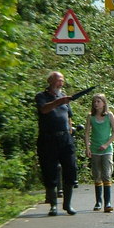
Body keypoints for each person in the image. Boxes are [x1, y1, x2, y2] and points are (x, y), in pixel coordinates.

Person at [35, 71, 78, 216]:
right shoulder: (41, 97)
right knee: (49, 171)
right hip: (48, 140)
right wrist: (59, 102)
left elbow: (68, 117)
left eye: (62, 81)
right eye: (59, 80)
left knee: (71, 169)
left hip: (65, 139)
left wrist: (70, 131)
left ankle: (67, 204)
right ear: (51, 81)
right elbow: (44, 109)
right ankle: (53, 205)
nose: (61, 83)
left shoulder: (63, 97)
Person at [85, 93, 114, 213]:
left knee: (106, 174)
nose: (96, 104)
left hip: (107, 150)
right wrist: (87, 148)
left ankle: (107, 202)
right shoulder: (90, 117)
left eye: (98, 102)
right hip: (94, 149)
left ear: (104, 103)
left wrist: (106, 144)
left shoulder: (109, 115)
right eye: (94, 102)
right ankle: (98, 201)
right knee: (97, 175)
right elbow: (87, 133)